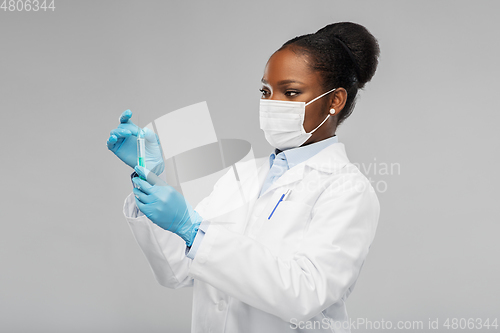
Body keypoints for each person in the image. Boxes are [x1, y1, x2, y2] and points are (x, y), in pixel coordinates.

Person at [107, 21, 380, 333]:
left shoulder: (347, 189)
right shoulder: (245, 175)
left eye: (291, 93)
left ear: (335, 101)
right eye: (266, 91)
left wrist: (194, 231)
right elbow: (177, 270)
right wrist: (149, 177)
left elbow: (305, 294)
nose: (272, 103)